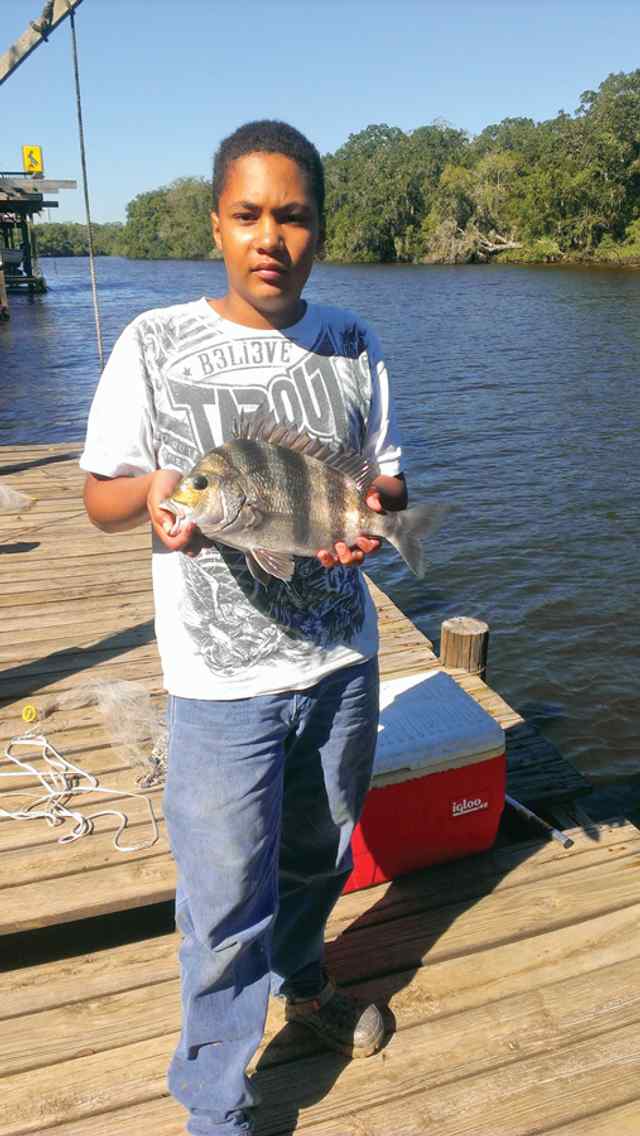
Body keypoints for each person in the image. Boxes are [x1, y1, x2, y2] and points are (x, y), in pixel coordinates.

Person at [81, 120, 408, 1136]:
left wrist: (372, 521)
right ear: (216, 225)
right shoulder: (152, 340)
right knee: (224, 901)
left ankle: (305, 987)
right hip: (220, 689)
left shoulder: (352, 341)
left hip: (341, 663)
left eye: (293, 216)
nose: (271, 237)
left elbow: (383, 480)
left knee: (319, 855)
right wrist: (155, 495)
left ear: (321, 228)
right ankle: (217, 1104)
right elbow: (100, 495)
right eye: (248, 215)